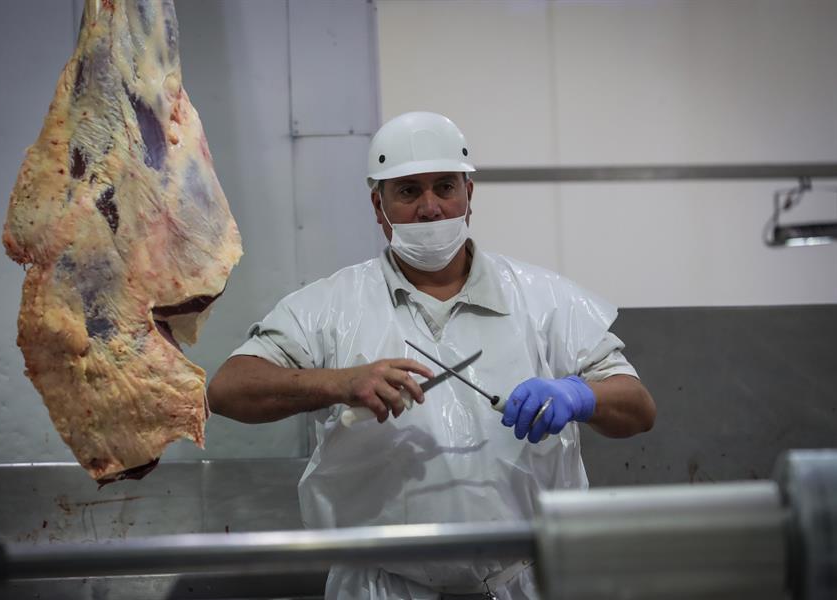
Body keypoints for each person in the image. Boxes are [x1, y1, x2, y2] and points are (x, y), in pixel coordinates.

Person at [208, 111, 656, 599]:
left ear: (469, 195)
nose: (430, 208)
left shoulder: (545, 300)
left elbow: (638, 408)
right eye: (408, 191)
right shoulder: (328, 307)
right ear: (378, 205)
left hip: (522, 582)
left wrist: (578, 395)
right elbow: (229, 389)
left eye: (445, 187)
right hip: (381, 587)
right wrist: (339, 383)